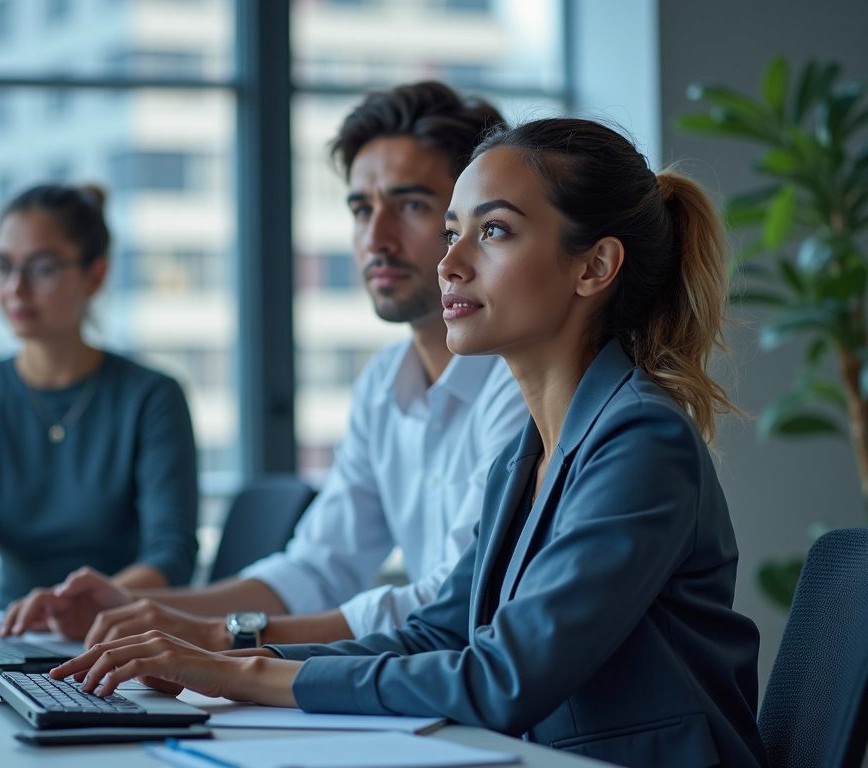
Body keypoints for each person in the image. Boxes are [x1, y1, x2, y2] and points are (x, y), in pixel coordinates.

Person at [52, 118, 768, 767]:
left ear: (594, 267)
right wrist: (238, 652)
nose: (450, 263)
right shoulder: (529, 445)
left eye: (494, 232)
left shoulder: (640, 439)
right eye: (453, 231)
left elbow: (502, 678)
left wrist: (240, 674)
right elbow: (436, 634)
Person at [1, 81, 527, 649]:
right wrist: (133, 607)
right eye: (360, 209)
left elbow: (451, 603)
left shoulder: (519, 382)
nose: (376, 238)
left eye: (412, 206)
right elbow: (316, 570)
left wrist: (223, 638)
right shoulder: (383, 382)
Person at [0, 183, 200, 630]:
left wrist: (87, 605)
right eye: (3, 266)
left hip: (121, 635)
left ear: (96, 275)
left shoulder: (152, 397)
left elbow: (172, 554)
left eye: (42, 268)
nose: (16, 288)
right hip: (8, 633)